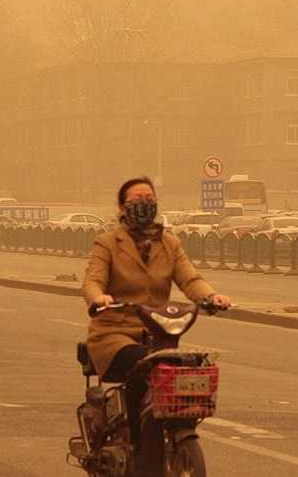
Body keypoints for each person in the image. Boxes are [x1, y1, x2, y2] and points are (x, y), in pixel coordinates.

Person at [81, 177, 231, 467]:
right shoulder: (108, 244)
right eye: (137, 200)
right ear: (123, 208)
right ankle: (139, 440)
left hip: (157, 335)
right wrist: (98, 298)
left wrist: (211, 297)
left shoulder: (169, 243)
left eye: (149, 198)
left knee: (184, 367)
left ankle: (174, 429)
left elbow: (190, 279)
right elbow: (92, 280)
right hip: (114, 335)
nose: (144, 204)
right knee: (143, 366)